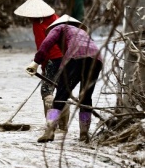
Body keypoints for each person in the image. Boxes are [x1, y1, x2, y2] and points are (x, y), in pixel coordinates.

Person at [26, 14, 102, 143]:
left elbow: (47, 43)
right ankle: (84, 133)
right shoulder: (81, 32)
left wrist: (35, 62)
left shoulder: (60, 27)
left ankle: (49, 131)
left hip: (75, 57)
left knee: (60, 96)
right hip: (97, 59)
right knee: (86, 97)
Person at [13, 0, 70, 131]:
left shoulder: (38, 24)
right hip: (66, 58)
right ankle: (63, 127)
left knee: (46, 91)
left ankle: (51, 125)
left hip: (52, 59)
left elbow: (43, 46)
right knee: (62, 91)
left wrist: (36, 64)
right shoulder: (55, 17)